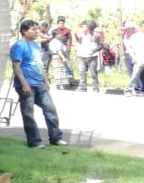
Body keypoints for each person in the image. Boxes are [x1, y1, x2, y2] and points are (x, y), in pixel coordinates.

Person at [11, 19, 67, 149]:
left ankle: (56, 137)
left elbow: (40, 65)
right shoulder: (19, 46)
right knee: (28, 113)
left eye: (37, 29)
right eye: (33, 29)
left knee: (50, 109)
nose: (37, 32)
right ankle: (34, 141)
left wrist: (46, 80)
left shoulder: (36, 45)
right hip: (26, 84)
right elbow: (16, 66)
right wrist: (24, 84)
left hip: (39, 83)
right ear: (25, 31)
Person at [74, 20, 103, 92]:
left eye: (84, 27)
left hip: (92, 57)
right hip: (81, 56)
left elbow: (101, 45)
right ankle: (82, 87)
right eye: (82, 27)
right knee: (82, 72)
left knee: (93, 73)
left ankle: (95, 88)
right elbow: (79, 43)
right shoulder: (80, 34)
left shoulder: (96, 36)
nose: (83, 28)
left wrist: (94, 50)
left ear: (89, 28)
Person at [122, 20, 144, 95]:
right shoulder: (125, 36)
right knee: (131, 72)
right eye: (127, 28)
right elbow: (126, 46)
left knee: (139, 72)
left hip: (137, 55)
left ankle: (141, 89)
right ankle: (134, 88)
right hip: (128, 54)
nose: (128, 30)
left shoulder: (138, 36)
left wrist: (135, 56)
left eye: (129, 28)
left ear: (133, 29)